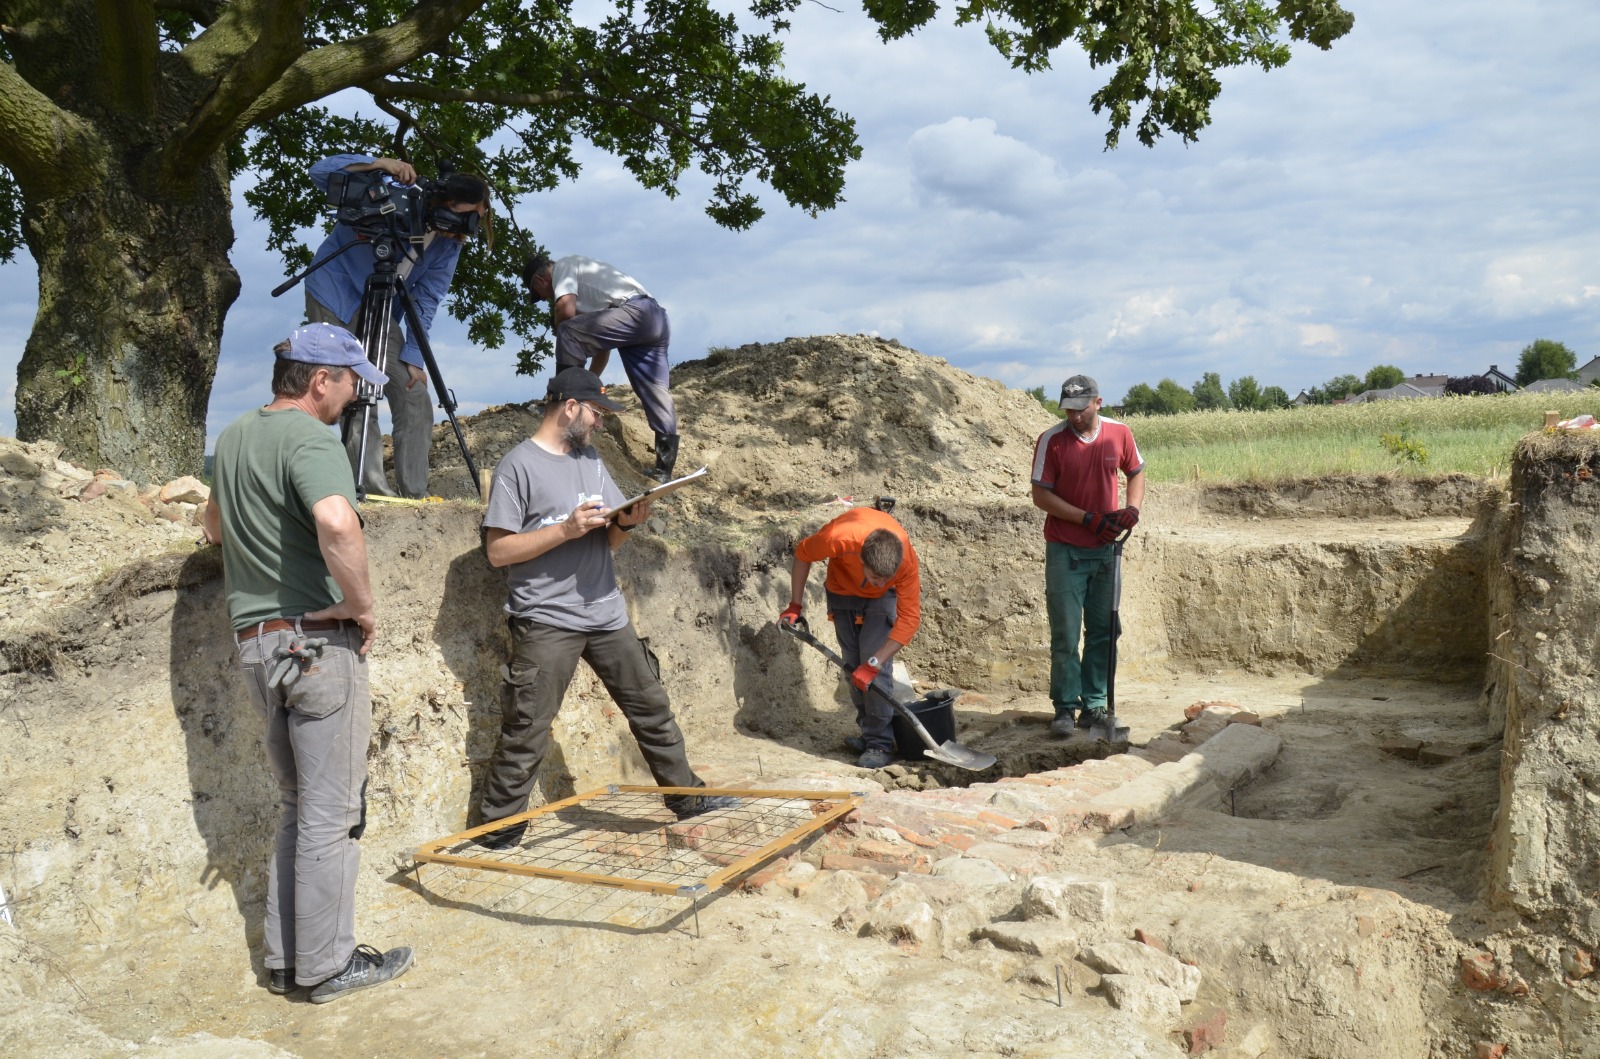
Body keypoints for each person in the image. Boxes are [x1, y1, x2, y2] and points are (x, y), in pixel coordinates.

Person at [202, 323, 413, 1003]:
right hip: (317, 645)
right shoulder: (310, 439)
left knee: (298, 804)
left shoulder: (233, 438)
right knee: (331, 812)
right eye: (351, 384)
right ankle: (327, 966)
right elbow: (337, 521)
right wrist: (362, 603)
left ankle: (287, 959)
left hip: (257, 645)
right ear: (320, 379)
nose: (353, 398)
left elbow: (211, 527)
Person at [476, 367, 733, 846]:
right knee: (528, 725)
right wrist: (565, 530)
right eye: (595, 413)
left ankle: (687, 798)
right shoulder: (518, 466)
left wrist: (628, 522)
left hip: (606, 612)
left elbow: (608, 544)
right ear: (570, 407)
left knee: (651, 707)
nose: (598, 424)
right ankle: (498, 828)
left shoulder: (591, 461)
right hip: (547, 618)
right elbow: (498, 552)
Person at [305, 153, 492, 498]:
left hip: (380, 307)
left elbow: (428, 297)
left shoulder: (449, 246)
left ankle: (415, 495)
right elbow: (319, 173)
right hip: (334, 291)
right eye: (469, 216)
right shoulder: (391, 191)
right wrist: (378, 164)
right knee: (352, 390)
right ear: (448, 203)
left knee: (414, 392)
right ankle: (372, 491)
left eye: (476, 221)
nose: (469, 228)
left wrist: (412, 356)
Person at [1029, 374, 1146, 736]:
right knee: (1065, 631)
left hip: (1107, 550)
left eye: (1081, 409)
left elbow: (1136, 472)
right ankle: (1065, 705)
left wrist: (1132, 509)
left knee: (1104, 629)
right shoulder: (1052, 441)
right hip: (1065, 548)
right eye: (1068, 410)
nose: (1074, 416)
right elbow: (1041, 496)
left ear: (1097, 402)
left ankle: (1095, 704)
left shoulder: (1119, 433)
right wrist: (1086, 519)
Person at [779, 505, 922, 770]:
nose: (879, 582)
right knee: (852, 668)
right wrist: (795, 605)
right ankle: (869, 735)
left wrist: (875, 662)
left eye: (885, 578)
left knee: (872, 669)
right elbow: (802, 554)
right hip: (842, 590)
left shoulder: (905, 564)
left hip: (882, 604)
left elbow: (910, 619)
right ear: (862, 561)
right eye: (875, 577)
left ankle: (880, 743)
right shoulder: (838, 538)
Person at [521, 254, 679, 482]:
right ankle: (664, 470)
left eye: (540, 295)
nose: (547, 299)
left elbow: (565, 311)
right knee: (654, 390)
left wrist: (560, 326)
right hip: (654, 320)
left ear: (539, 280)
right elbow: (602, 352)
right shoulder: (593, 303)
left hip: (635, 312)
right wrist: (586, 385)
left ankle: (559, 402)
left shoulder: (563, 267)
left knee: (567, 330)